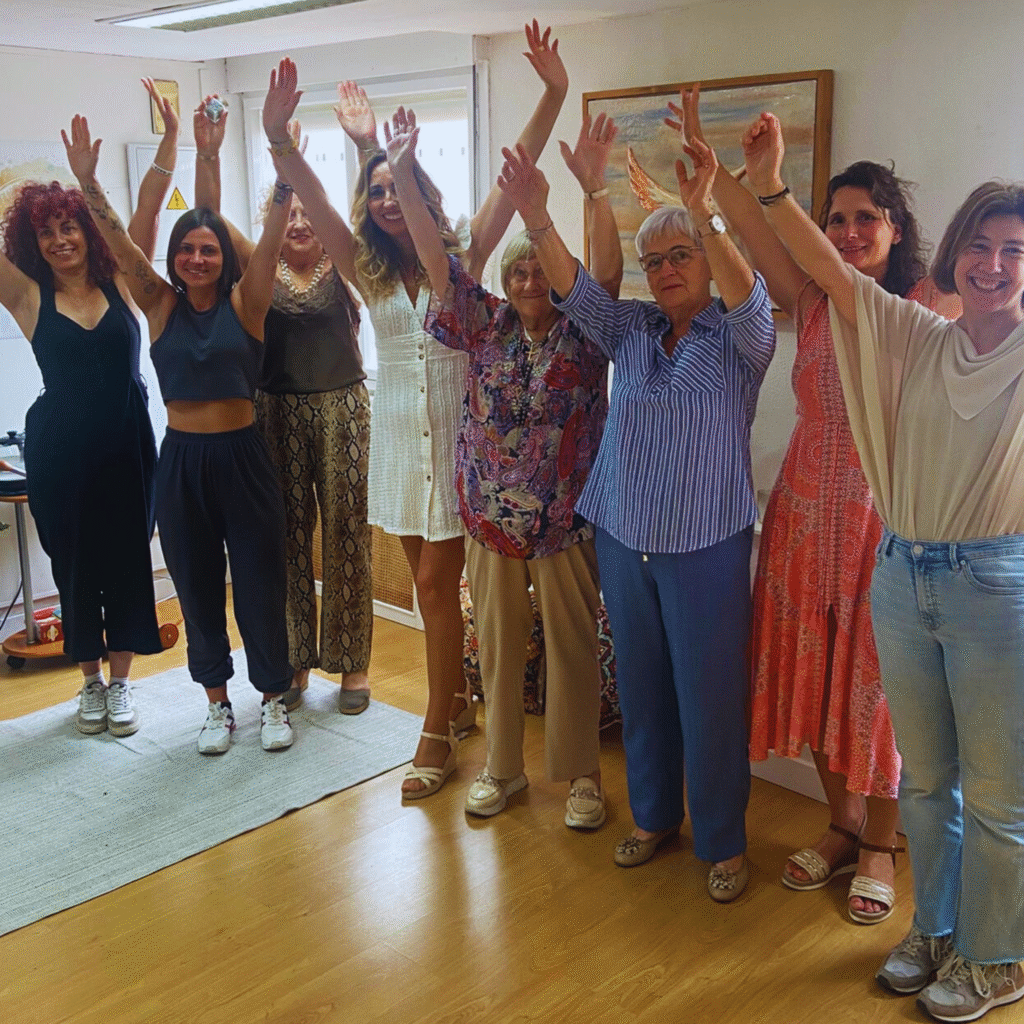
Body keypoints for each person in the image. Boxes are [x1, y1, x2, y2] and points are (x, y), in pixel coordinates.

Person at [744, 110, 1024, 1021]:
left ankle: (998, 957)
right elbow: (823, 270)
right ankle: (935, 931)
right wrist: (769, 188)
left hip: (993, 583)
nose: (992, 264)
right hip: (903, 572)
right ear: (953, 257)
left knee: (998, 795)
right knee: (929, 780)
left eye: (1014, 250)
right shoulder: (918, 334)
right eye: (979, 246)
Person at [262, 25, 571, 798]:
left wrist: (554, 92)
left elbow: (516, 174)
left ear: (419, 190)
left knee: (434, 586)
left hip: (466, 450)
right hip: (398, 445)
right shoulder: (363, 271)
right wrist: (278, 138)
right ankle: (458, 700)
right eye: (375, 192)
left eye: (395, 186)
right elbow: (314, 194)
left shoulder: (459, 257)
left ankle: (436, 728)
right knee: (431, 589)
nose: (385, 200)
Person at [676, 86, 960, 924]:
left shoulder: (921, 308)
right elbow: (764, 230)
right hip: (802, 515)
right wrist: (719, 173)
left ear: (896, 228)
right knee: (817, 677)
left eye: (866, 217)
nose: (848, 231)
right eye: (836, 219)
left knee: (880, 689)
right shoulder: (809, 300)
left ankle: (881, 844)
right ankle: (842, 825)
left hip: (884, 521)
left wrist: (764, 186)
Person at [495, 123, 775, 899]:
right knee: (643, 689)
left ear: (706, 260)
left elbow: (749, 296)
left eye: (680, 255)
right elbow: (576, 289)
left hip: (705, 545)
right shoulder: (635, 329)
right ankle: (654, 817)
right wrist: (539, 214)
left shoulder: (741, 337)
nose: (665, 270)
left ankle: (721, 841)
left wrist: (707, 211)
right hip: (624, 535)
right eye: (654, 261)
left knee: (709, 699)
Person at [393, 106, 621, 821]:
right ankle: (502, 768)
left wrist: (593, 191)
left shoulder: (586, 333)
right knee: (496, 647)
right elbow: (439, 264)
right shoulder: (484, 323)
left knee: (572, 649)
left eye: (538, 271)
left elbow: (607, 274)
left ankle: (582, 777)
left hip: (565, 522)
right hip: (489, 520)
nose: (527, 282)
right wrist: (402, 173)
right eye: (516, 271)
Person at [63, 96, 295, 756]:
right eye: (187, 249)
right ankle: (217, 705)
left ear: (223, 257)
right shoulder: (159, 304)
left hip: (243, 458)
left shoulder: (248, 302)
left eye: (208, 249)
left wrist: (282, 161)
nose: (197, 257)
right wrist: (88, 185)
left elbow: (271, 240)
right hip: (182, 462)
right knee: (195, 588)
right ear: (174, 257)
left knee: (259, 583)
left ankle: (272, 699)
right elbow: (119, 244)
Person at [0, 79, 178, 737]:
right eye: (46, 232)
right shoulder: (27, 297)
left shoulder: (121, 280)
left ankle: (122, 684)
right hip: (61, 451)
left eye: (68, 226)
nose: (59, 240)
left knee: (128, 563)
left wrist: (168, 140)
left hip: (128, 445)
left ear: (87, 230)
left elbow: (150, 207)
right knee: (75, 568)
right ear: (33, 242)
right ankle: (91, 684)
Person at [193, 101, 373, 714]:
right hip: (275, 415)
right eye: (287, 210)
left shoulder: (345, 263)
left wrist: (355, 146)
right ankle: (296, 658)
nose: (298, 221)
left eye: (306, 212)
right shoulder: (261, 262)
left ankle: (351, 664)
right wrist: (209, 152)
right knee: (286, 537)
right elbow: (209, 220)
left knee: (346, 534)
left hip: (343, 413)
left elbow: (368, 219)